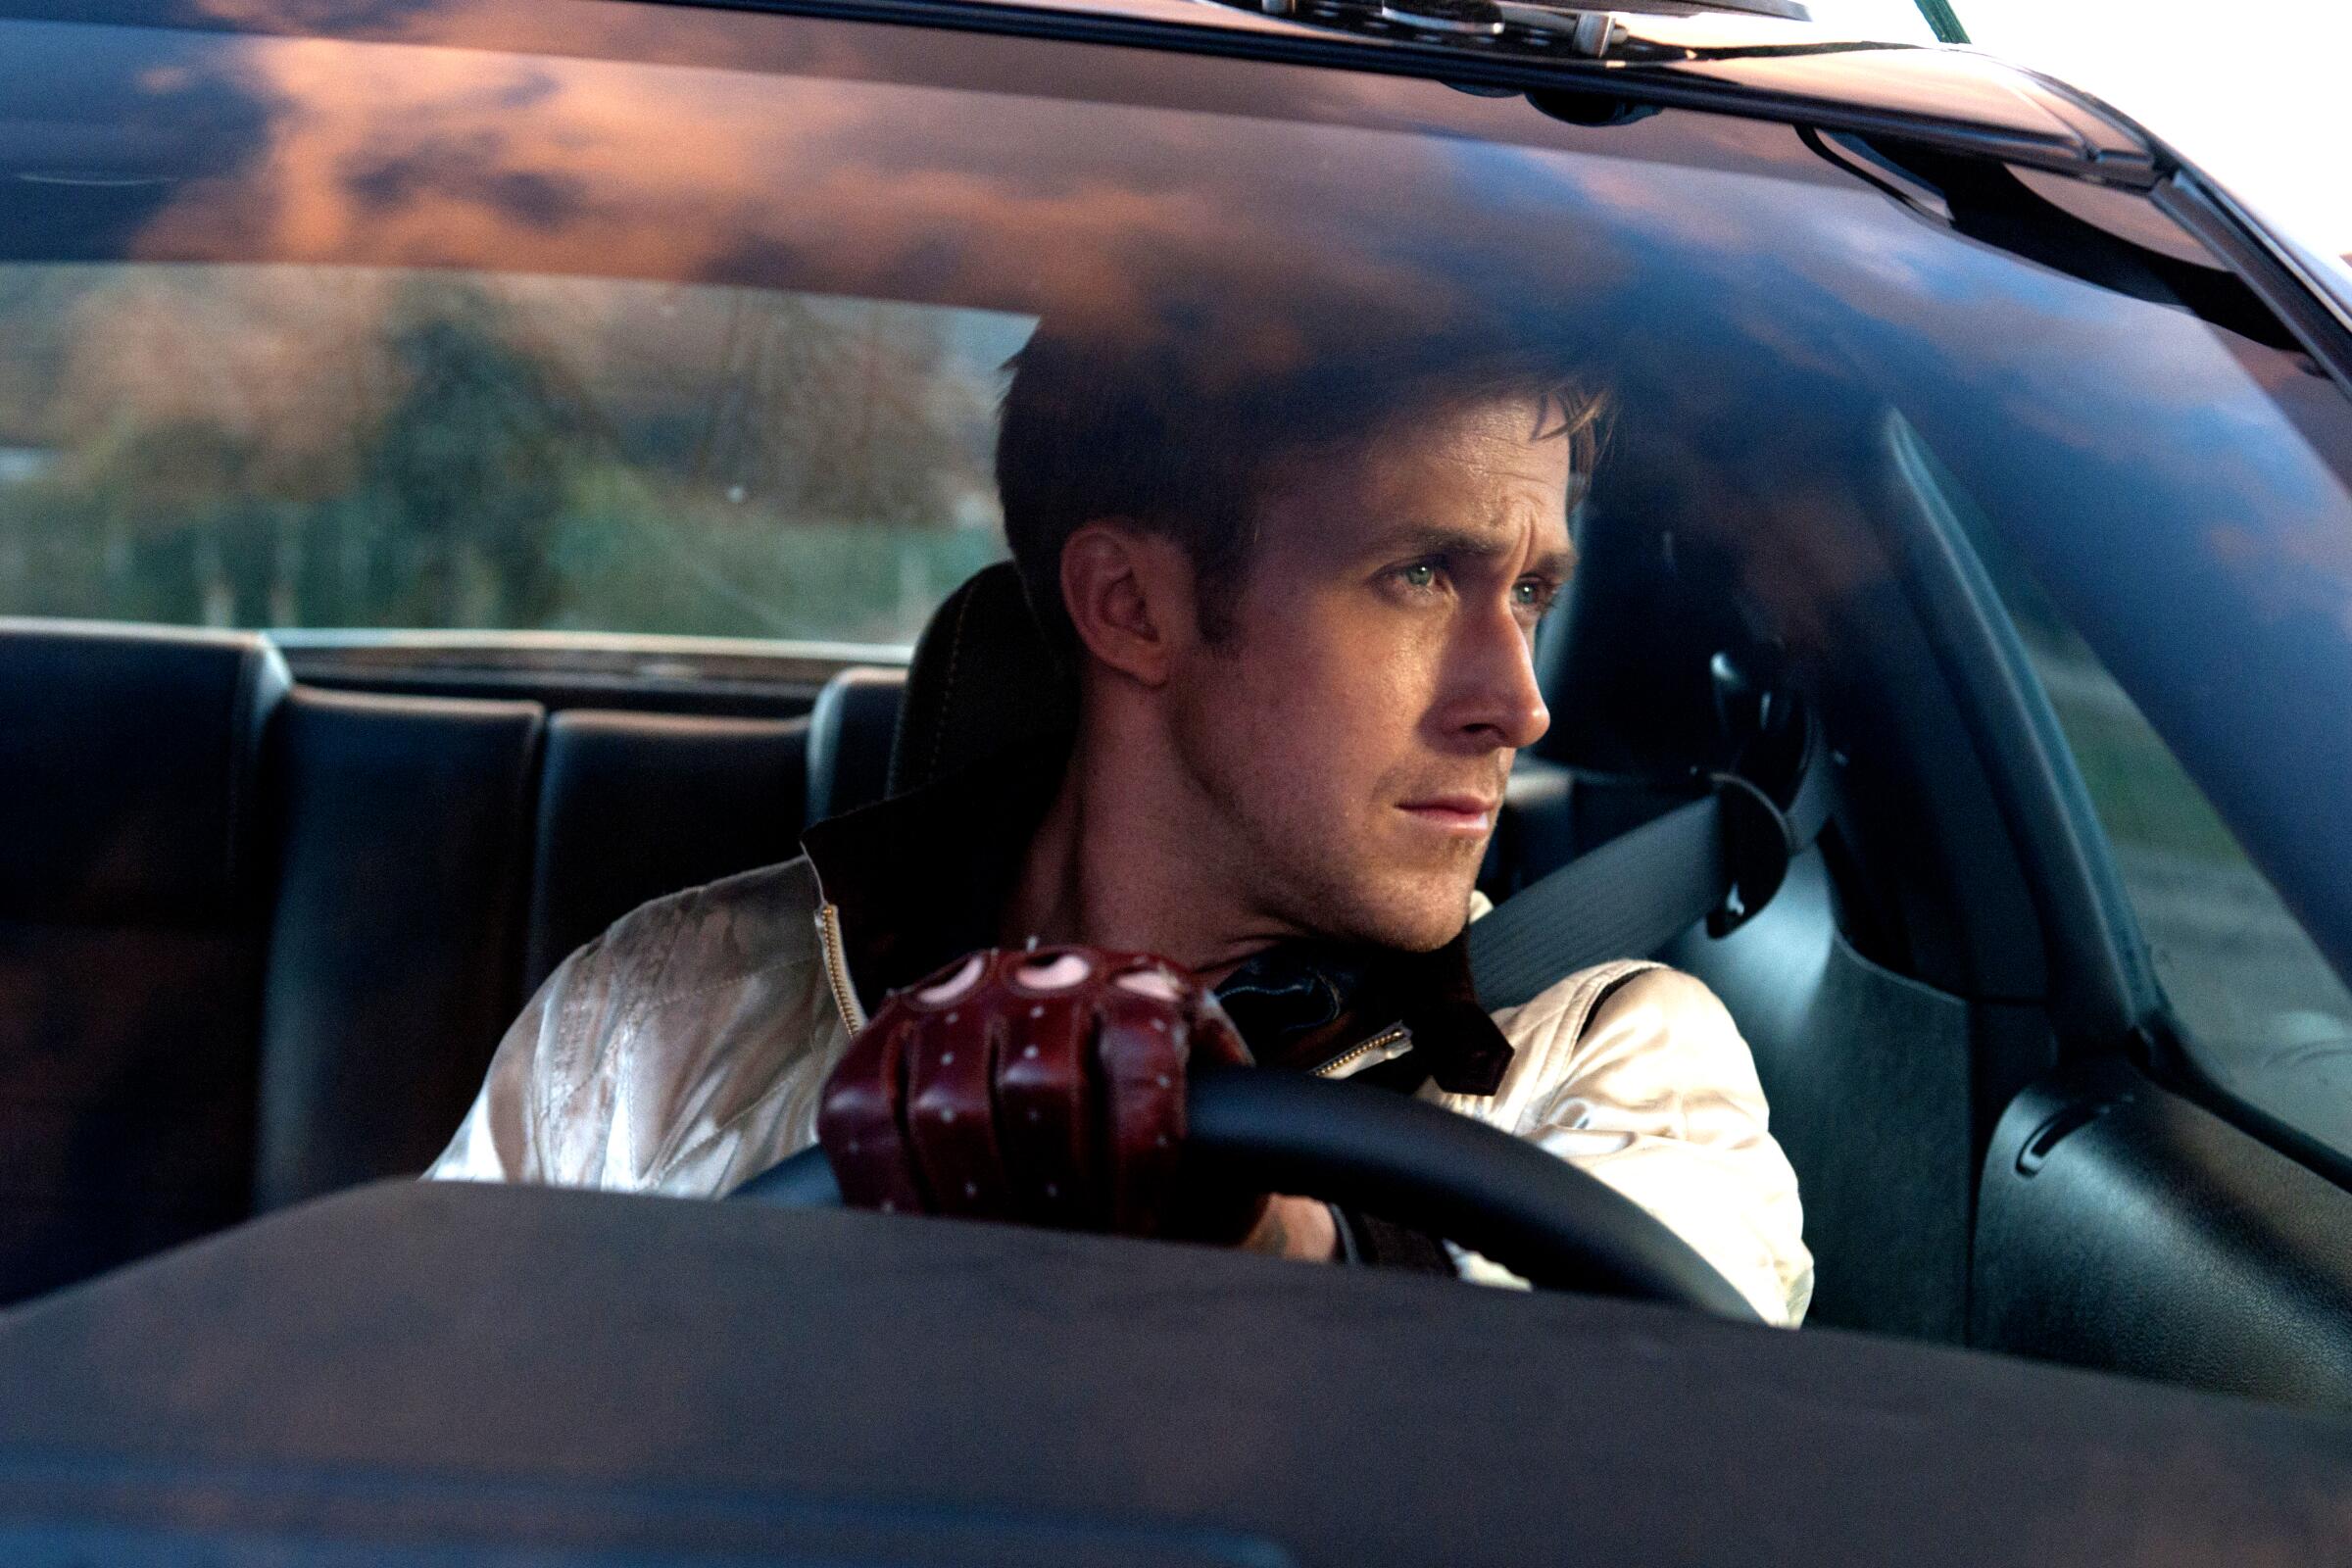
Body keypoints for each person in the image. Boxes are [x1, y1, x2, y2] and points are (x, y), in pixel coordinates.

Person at [428, 318, 1814, 1325]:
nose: (1516, 705)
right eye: (1417, 577)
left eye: (1528, 596)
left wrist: (1272, 1246)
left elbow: (1664, 1461)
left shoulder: (1620, 1064)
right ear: (1131, 607)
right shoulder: (658, 1026)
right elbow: (418, 1456)